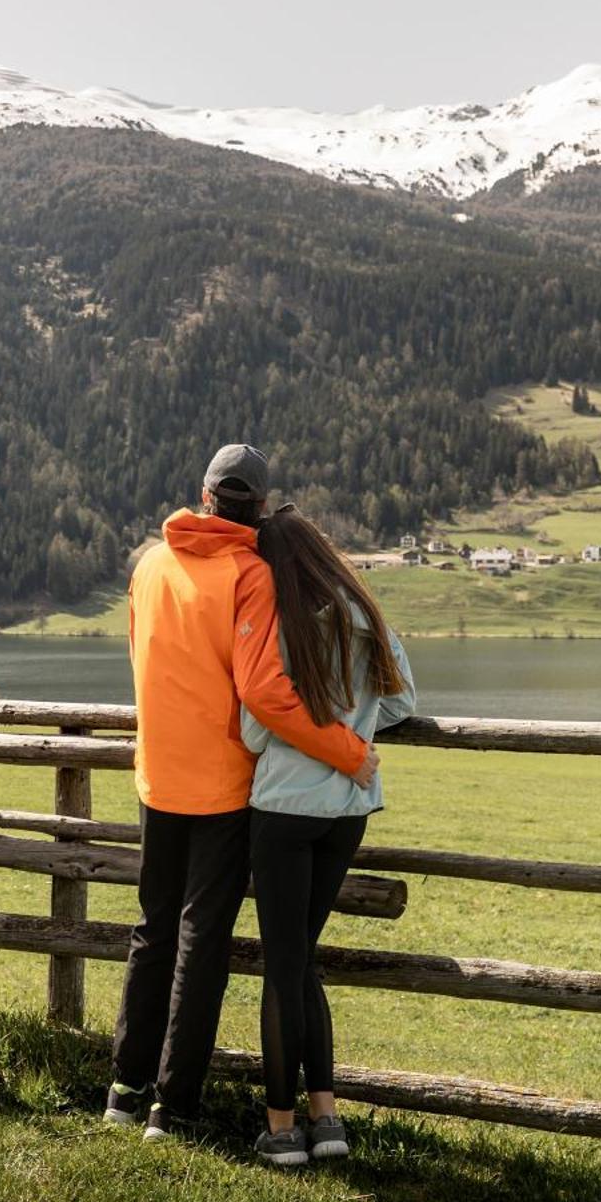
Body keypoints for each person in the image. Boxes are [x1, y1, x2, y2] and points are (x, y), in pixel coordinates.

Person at [106, 444, 379, 1142]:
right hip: (223, 787)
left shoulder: (150, 566)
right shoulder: (250, 573)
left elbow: (140, 660)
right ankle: (174, 1108)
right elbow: (264, 691)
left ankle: (122, 1090)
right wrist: (349, 750)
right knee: (202, 942)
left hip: (156, 776)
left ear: (202, 495)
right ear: (259, 507)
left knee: (153, 931)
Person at [239, 504, 414, 1166]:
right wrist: (356, 728)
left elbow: (257, 728)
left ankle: (282, 1130)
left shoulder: (281, 623)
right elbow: (402, 702)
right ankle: (328, 1118)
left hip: (284, 807)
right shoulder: (363, 613)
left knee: (283, 967)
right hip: (346, 812)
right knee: (302, 958)